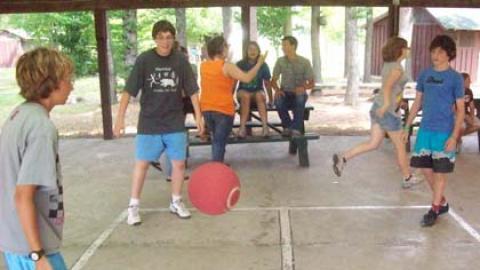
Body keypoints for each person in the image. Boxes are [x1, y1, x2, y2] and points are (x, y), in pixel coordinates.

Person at [113, 20, 203, 225]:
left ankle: (176, 201)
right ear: (155, 39)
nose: (165, 41)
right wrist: (119, 119)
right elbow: (128, 91)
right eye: (161, 37)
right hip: (149, 121)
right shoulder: (145, 60)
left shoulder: (181, 60)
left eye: (169, 37)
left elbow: (192, 90)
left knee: (179, 164)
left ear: (173, 39)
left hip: (174, 120)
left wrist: (199, 115)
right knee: (142, 164)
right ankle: (133, 206)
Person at [0, 47, 74, 270]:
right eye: (67, 79)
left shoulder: (18, 114)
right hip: (31, 248)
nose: (71, 85)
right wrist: (37, 255)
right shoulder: (41, 128)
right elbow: (23, 196)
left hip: (14, 240)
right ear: (50, 84)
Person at [332, 37, 421, 189]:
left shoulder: (390, 65)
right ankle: (407, 177)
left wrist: (397, 101)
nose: (408, 50)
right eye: (406, 47)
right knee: (400, 146)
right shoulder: (397, 69)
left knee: (373, 143)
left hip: (377, 108)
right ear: (400, 49)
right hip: (386, 111)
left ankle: (343, 157)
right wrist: (388, 104)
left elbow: (392, 89)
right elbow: (386, 87)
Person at [403, 35, 465, 227]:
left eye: (440, 52)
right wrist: (407, 126)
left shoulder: (455, 78)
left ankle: (434, 209)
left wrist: (454, 136)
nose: (435, 55)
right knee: (425, 169)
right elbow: (417, 103)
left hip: (444, 132)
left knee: (440, 173)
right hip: (425, 131)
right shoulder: (424, 75)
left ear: (449, 54)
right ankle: (442, 202)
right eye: (433, 51)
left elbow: (461, 110)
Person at [200, 36, 266, 162]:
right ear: (222, 49)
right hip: (222, 110)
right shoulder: (227, 66)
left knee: (216, 140)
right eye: (227, 47)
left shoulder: (204, 66)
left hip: (206, 108)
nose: (228, 49)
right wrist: (259, 64)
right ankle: (217, 169)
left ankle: (218, 163)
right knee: (220, 141)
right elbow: (246, 78)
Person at [271, 36, 314, 137]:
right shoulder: (280, 61)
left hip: (299, 93)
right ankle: (288, 127)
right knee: (278, 99)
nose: (282, 47)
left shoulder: (305, 62)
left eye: (285, 45)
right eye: (282, 45)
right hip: (285, 92)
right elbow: (273, 81)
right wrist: (277, 90)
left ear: (293, 46)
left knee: (300, 98)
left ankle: (295, 129)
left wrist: (303, 88)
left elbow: (312, 83)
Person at [236, 41, 273, 138]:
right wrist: (230, 98)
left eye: (255, 49)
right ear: (246, 51)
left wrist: (271, 99)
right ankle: (242, 128)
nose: (252, 51)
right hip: (243, 92)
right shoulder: (240, 64)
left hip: (257, 92)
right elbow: (233, 82)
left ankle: (265, 127)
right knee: (246, 95)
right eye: (250, 49)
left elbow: (267, 83)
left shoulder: (263, 65)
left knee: (260, 95)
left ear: (259, 51)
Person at [457, 72, 480, 152]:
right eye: (468, 80)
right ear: (462, 81)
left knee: (478, 125)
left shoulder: (469, 91)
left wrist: (472, 117)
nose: (470, 82)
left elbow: (472, 106)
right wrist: (465, 117)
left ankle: (457, 137)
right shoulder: (455, 91)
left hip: (466, 114)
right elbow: (452, 108)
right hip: (455, 114)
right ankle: (457, 140)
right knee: (462, 127)